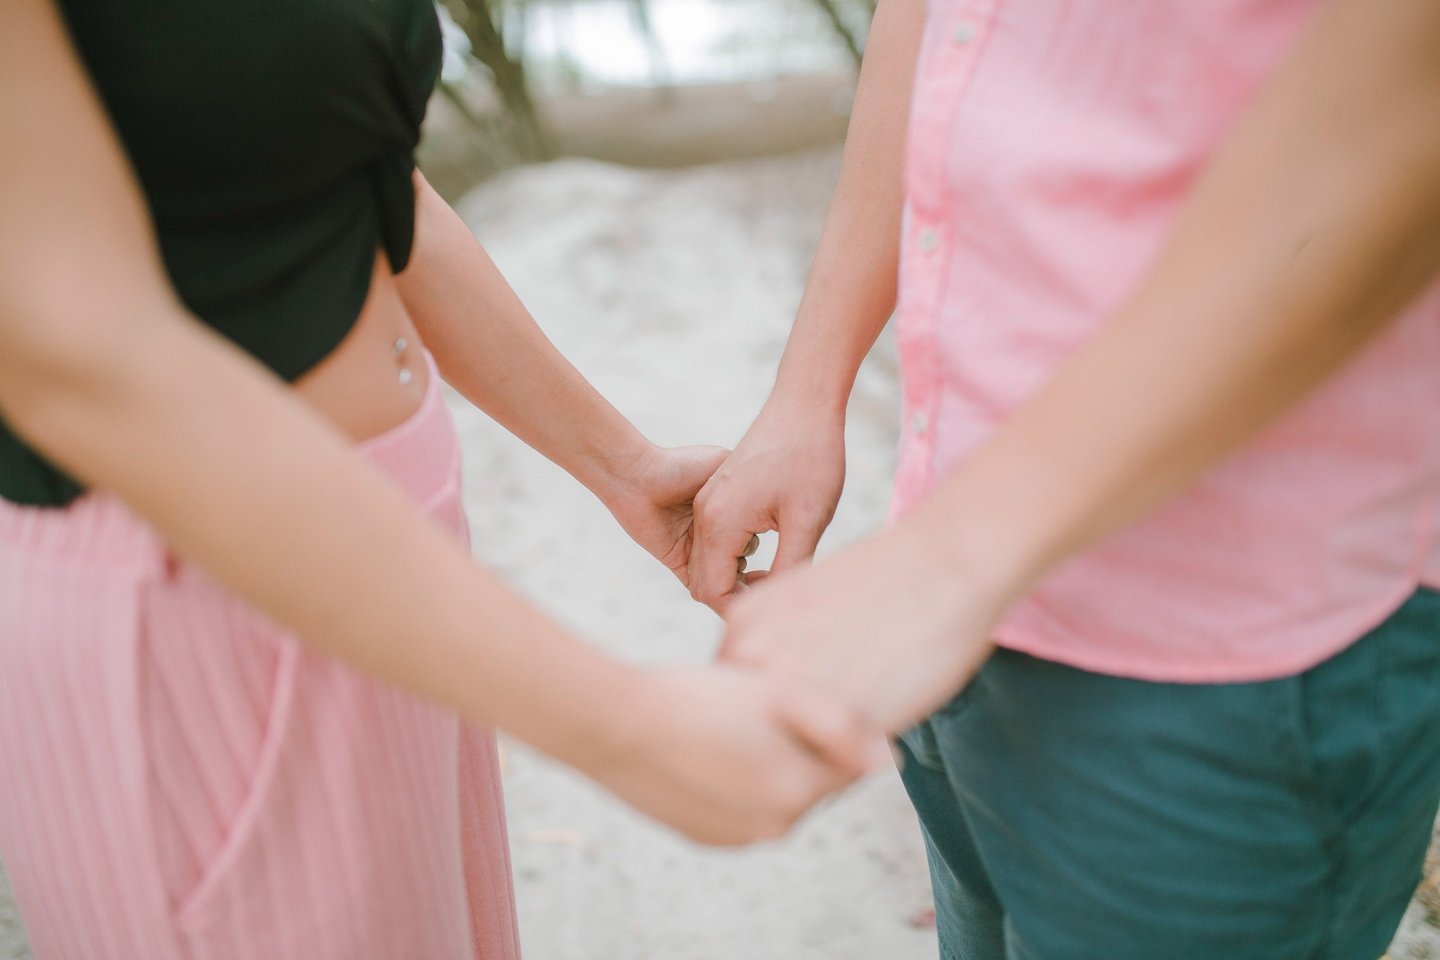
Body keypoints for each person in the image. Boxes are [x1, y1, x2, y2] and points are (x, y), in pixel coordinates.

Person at [0, 2, 881, 958]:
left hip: (394, 576)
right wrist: (630, 731)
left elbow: (370, 186)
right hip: (202, 592)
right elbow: (75, 357)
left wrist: (625, 470)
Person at [689, 0, 1440, 957]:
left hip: (1224, 658)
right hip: (958, 569)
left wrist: (941, 567)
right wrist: (808, 389)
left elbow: (1398, 122)